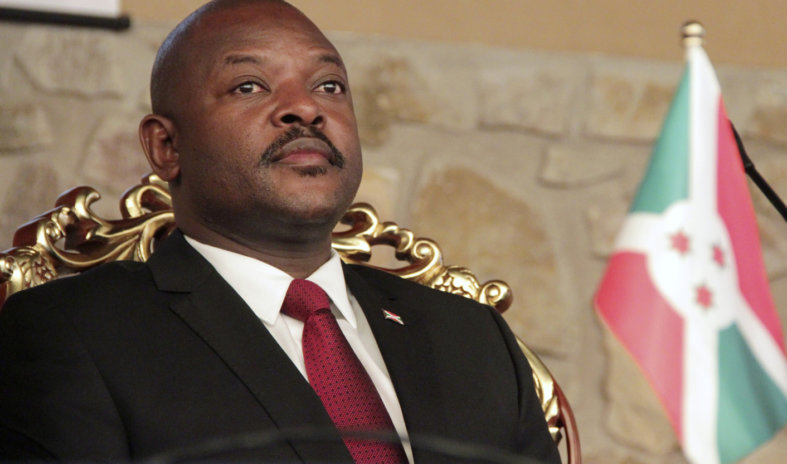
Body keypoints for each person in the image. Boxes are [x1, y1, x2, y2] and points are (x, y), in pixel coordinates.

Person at [0, 1, 561, 462]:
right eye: (249, 86)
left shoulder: (473, 338)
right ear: (167, 146)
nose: (305, 109)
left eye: (329, 86)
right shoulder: (73, 334)